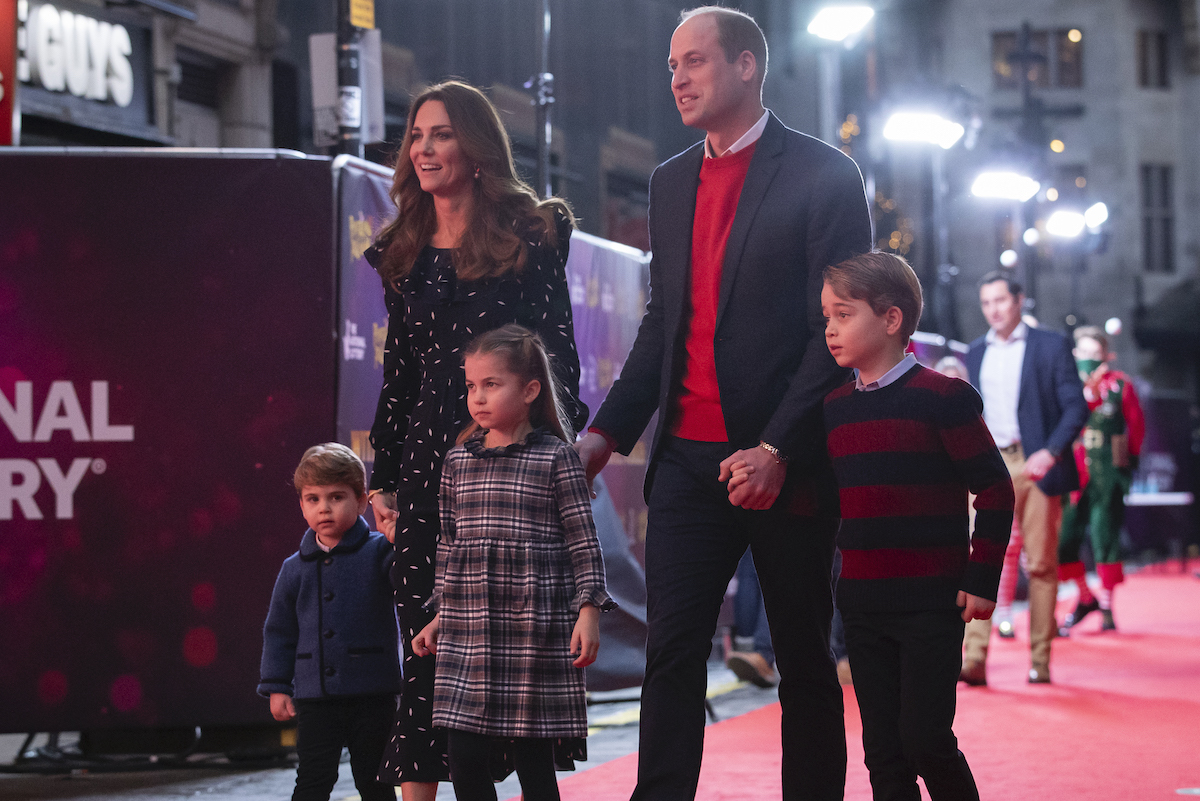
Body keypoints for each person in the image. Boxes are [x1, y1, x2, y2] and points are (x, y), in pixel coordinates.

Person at [574, 7, 872, 798]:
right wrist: (602, 436)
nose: (678, 78)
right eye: (672, 65)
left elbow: (837, 331)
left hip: (788, 460)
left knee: (803, 657)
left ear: (747, 66)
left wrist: (777, 447)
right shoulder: (670, 181)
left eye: (695, 61)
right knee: (672, 654)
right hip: (686, 462)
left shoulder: (825, 174)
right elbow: (664, 324)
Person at [363, 81, 588, 799]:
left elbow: (559, 358)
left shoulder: (530, 237)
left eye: (442, 134)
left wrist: (546, 454)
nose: (424, 149)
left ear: (477, 146)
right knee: (426, 655)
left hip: (509, 473)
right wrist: (382, 477)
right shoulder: (401, 250)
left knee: (508, 666)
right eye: (416, 135)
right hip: (426, 471)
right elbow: (400, 374)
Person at [817, 251, 1014, 801]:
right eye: (827, 316)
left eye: (844, 314)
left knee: (927, 740)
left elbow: (995, 489)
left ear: (892, 319)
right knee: (883, 753)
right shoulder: (834, 408)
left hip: (931, 603)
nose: (830, 329)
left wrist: (981, 578)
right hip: (863, 605)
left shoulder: (943, 398)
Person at [413, 324, 616, 801]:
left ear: (529, 390)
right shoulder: (458, 462)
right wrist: (441, 613)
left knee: (533, 761)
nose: (478, 397)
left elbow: (583, 542)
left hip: (533, 627)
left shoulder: (557, 459)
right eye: (471, 386)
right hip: (469, 628)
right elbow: (450, 544)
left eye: (491, 384)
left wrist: (588, 612)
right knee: (464, 755)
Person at [960, 272, 1087, 685]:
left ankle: (1041, 660)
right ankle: (974, 659)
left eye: (1000, 300)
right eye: (986, 303)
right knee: (980, 559)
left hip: (1036, 464)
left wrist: (1050, 451)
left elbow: (1075, 406)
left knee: (1042, 564)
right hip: (989, 464)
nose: (993, 310)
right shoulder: (975, 352)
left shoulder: (1050, 345)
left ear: (1019, 300)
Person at [258, 443, 400, 801]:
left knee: (375, 780)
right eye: (313, 499)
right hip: (315, 698)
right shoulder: (293, 568)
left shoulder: (381, 552)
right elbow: (279, 631)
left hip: (373, 693)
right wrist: (277, 686)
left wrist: (401, 542)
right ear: (302, 505)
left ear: (361, 501)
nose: (324, 508)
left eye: (336, 497)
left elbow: (410, 585)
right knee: (313, 779)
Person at [1057, 325, 1145, 633]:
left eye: (1095, 353)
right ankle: (1085, 597)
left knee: (1105, 538)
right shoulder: (1065, 384)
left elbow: (1135, 426)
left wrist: (1128, 466)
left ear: (1106, 355)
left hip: (1108, 472)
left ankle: (1107, 606)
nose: (1089, 358)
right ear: (1074, 353)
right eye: (1084, 352)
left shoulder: (1119, 385)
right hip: (1073, 472)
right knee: (1064, 540)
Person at [936, 353, 1021, 639]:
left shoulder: (975, 420)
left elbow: (996, 487)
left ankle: (1002, 616)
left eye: (958, 380)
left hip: (983, 482)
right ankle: (975, 650)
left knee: (1005, 548)